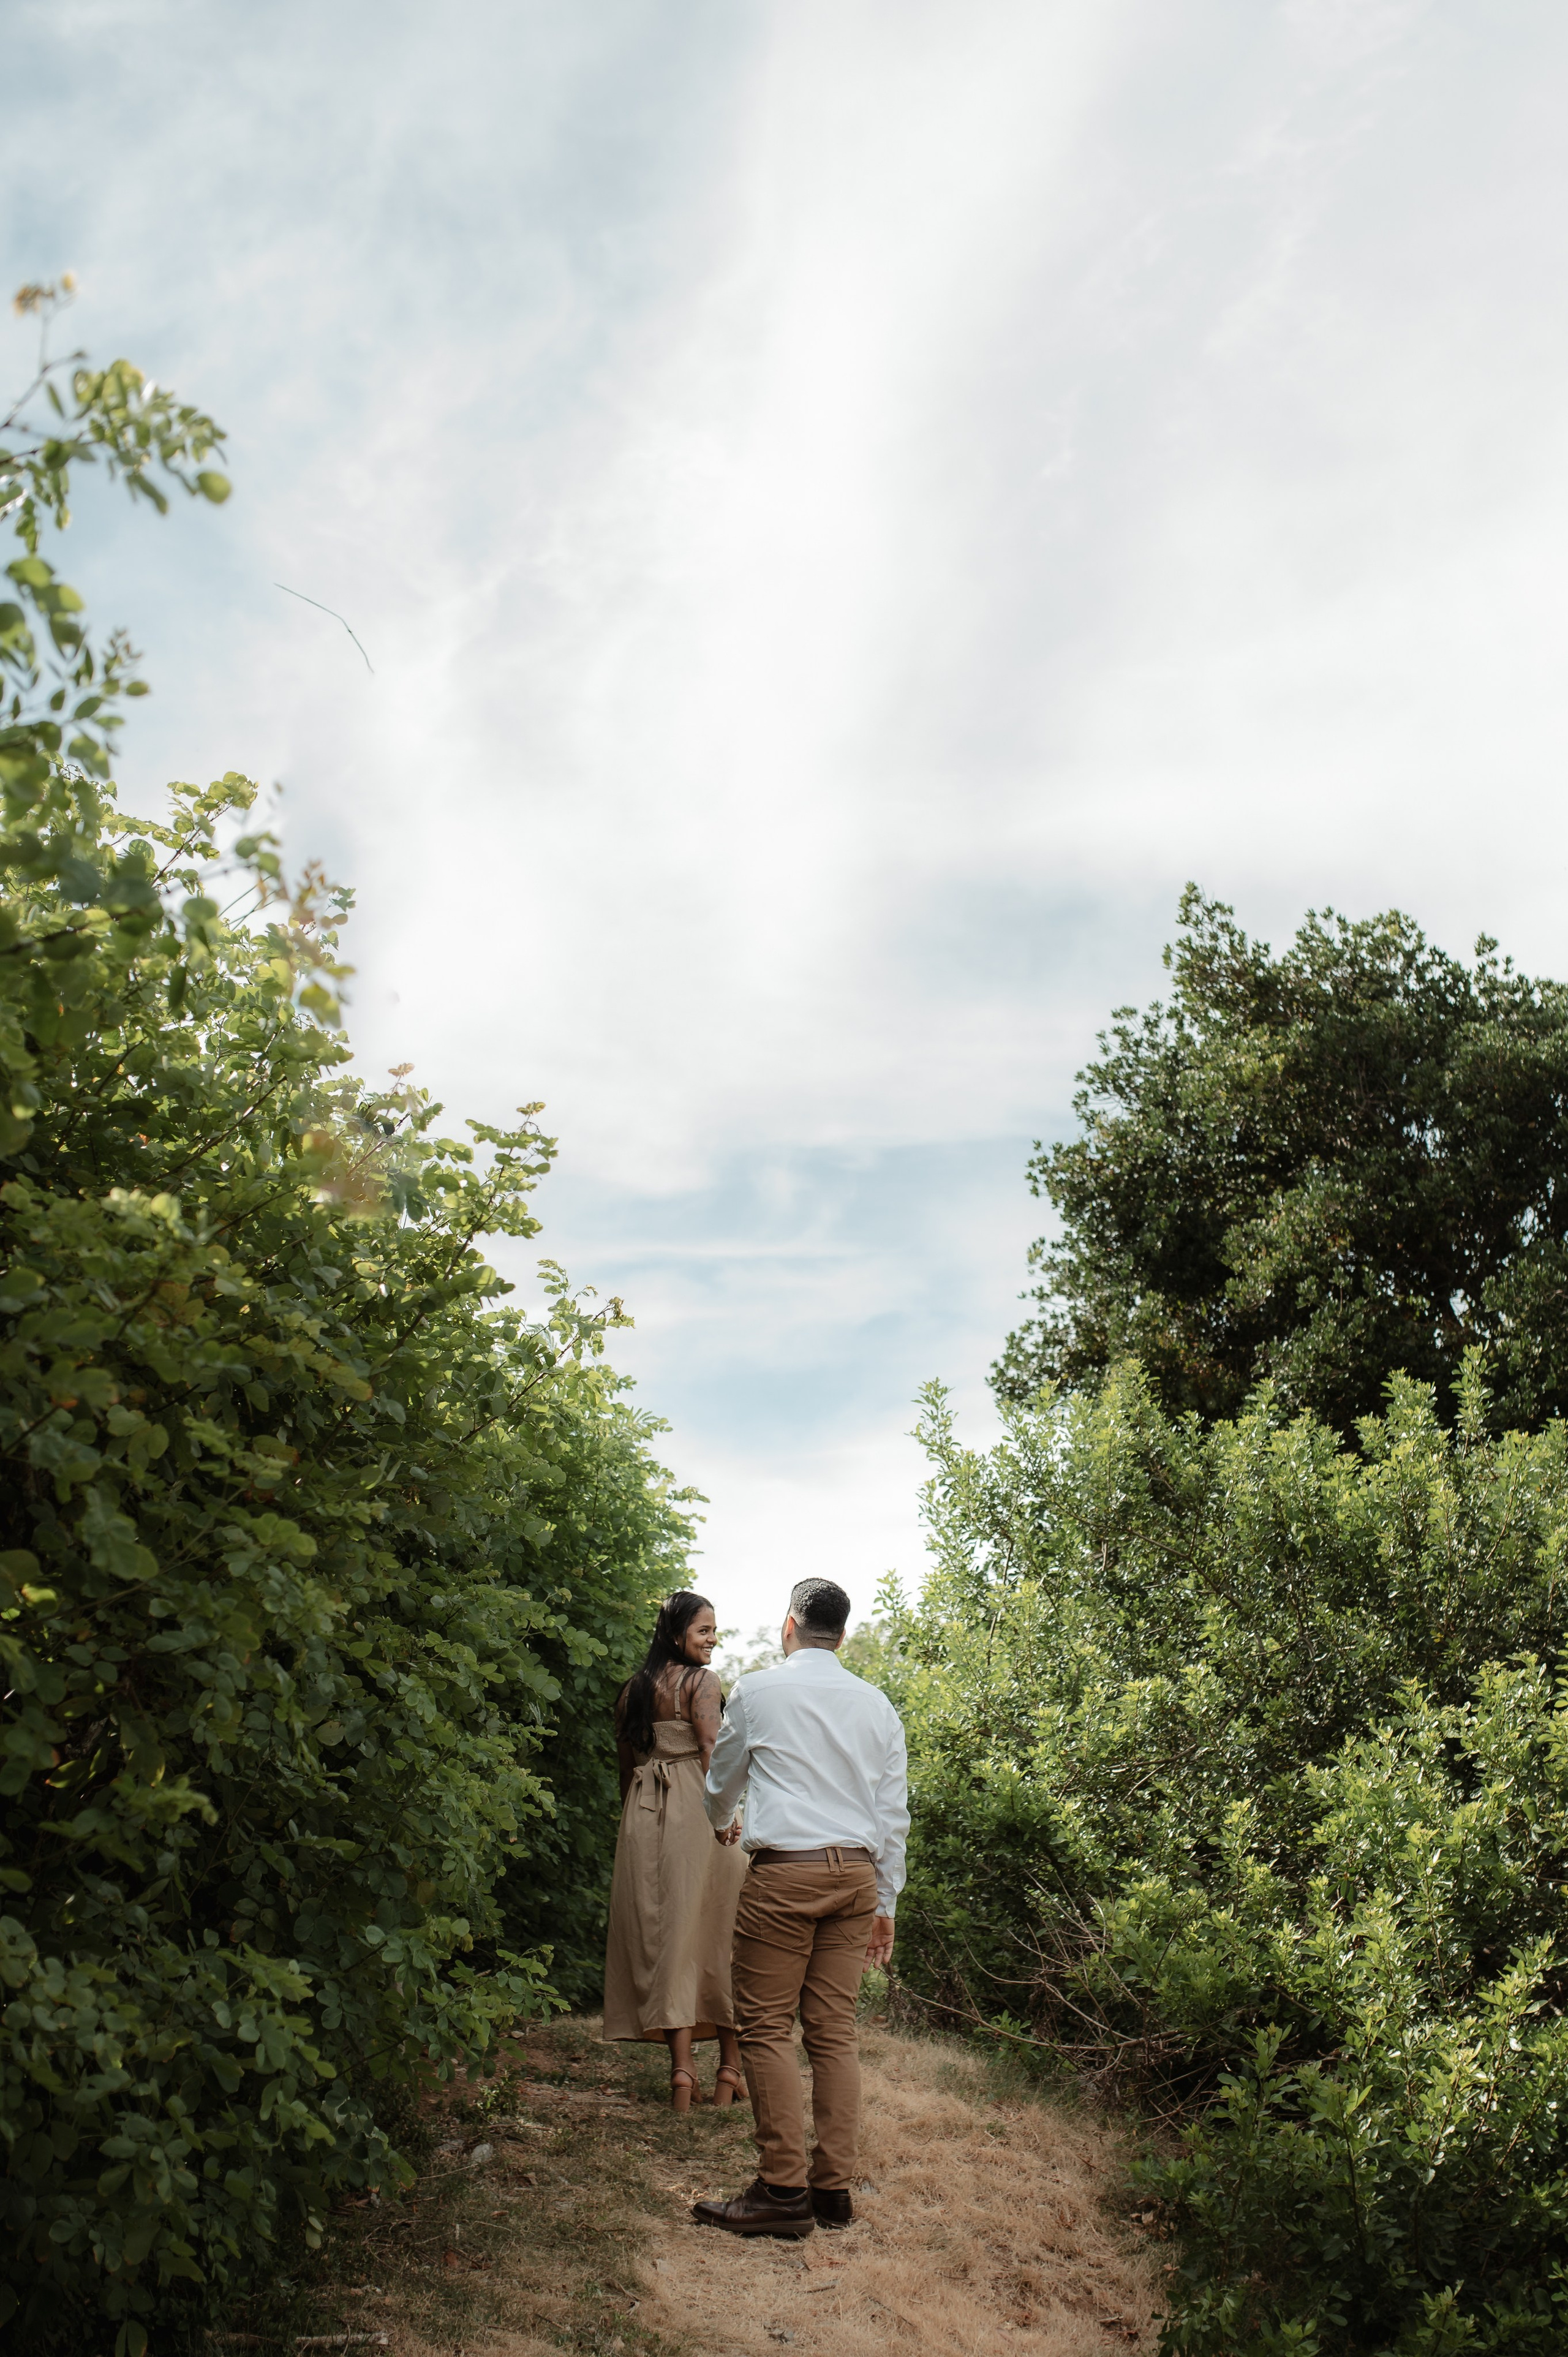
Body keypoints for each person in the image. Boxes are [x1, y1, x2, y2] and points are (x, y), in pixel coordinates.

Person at [692, 1577, 908, 2238]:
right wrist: (886, 1899)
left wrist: (722, 1819)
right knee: (833, 2030)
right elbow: (892, 1811)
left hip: (787, 1875)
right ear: (841, 1633)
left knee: (763, 2027)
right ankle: (832, 2191)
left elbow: (721, 1781)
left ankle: (782, 2188)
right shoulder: (877, 1705)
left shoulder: (758, 1690)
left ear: (790, 1626)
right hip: (856, 1878)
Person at [601, 1591, 748, 2111]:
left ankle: (682, 2073)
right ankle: (730, 2069)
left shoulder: (631, 1691)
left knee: (669, 1936)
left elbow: (626, 1767)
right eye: (705, 1630)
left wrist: (634, 1822)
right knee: (721, 1930)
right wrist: (726, 1817)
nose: (713, 1639)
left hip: (643, 1815)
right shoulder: (701, 1682)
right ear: (676, 1633)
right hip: (697, 1809)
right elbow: (711, 1749)